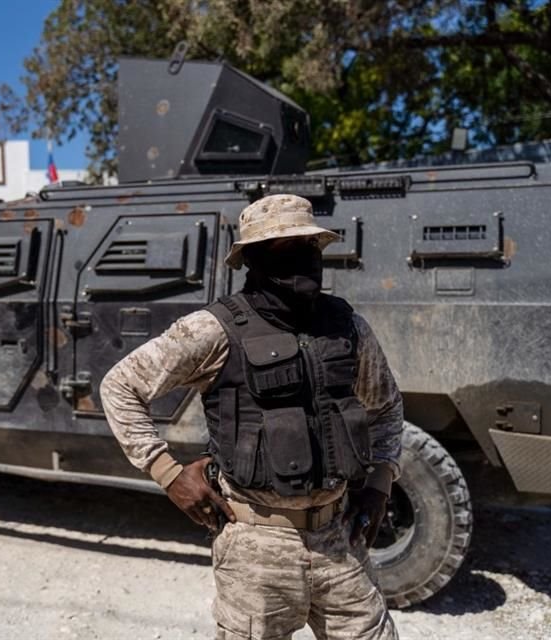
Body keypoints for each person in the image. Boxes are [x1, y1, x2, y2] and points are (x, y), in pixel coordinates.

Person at [100, 194, 403, 639]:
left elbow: (386, 406)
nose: (304, 258)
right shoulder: (213, 329)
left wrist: (380, 482)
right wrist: (167, 472)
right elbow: (120, 386)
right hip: (255, 546)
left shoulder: (346, 325)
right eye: (285, 248)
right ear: (253, 258)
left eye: (309, 246)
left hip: (339, 541)